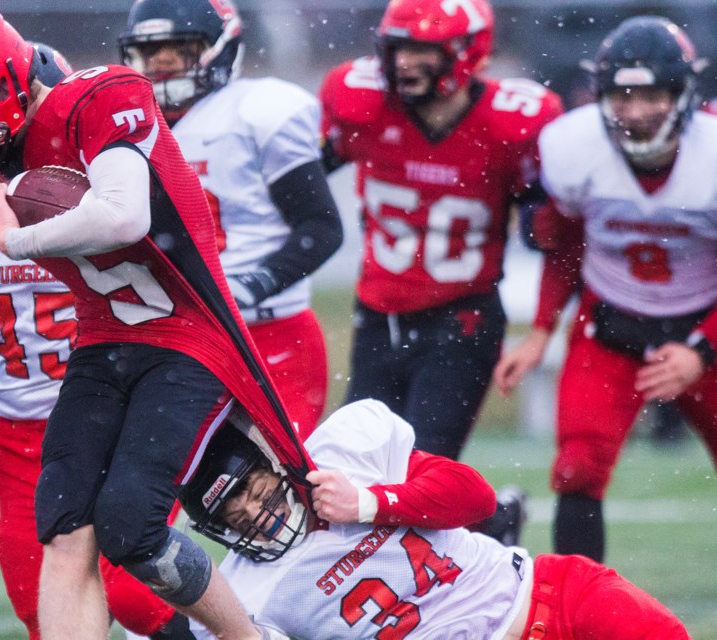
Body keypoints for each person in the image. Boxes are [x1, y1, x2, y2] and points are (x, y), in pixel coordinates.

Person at [0, 6, 310, 639]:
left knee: (130, 524)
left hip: (187, 333)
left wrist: (22, 241)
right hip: (107, 340)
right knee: (60, 526)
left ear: (0, 89)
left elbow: (124, 216)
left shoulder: (102, 95)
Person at [0, 41, 195, 640]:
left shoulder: (103, 173)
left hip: (115, 406)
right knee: (40, 602)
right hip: (22, 429)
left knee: (136, 593)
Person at [177, 399, 691, 639]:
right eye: (227, 511)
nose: (247, 511)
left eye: (246, 487)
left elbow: (477, 498)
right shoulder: (246, 596)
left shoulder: (345, 453)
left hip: (545, 596)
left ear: (271, 458)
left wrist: (370, 503)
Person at [494, 16, 717, 562]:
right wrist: (541, 331)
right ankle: (583, 606)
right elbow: (565, 248)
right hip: (611, 323)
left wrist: (702, 349)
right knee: (576, 468)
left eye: (651, 95)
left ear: (683, 93)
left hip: (703, 325)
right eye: (622, 94)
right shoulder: (575, 147)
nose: (636, 112)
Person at [318, 0, 563, 459]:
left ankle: (487, 521)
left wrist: (543, 329)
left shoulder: (513, 124)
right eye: (396, 48)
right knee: (357, 465)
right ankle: (497, 520)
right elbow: (297, 183)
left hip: (462, 316)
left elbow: (556, 237)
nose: (403, 63)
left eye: (421, 50)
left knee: (422, 467)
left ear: (467, 51)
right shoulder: (363, 103)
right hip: (377, 313)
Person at [118, 0, 344, 438]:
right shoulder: (129, 126)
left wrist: (252, 284)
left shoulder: (256, 113)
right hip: (181, 337)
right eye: (150, 55)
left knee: (270, 493)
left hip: (269, 332)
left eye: (177, 52)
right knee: (162, 486)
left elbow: (321, 227)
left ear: (219, 49)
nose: (161, 69)